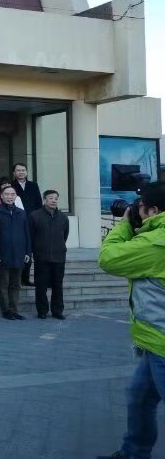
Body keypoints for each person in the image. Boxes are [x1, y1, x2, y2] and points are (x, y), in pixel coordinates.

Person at [97, 183, 165, 459]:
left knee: (141, 398)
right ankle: (134, 452)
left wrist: (125, 224)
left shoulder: (156, 242)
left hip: (162, 343)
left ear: (154, 210)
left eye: (140, 207)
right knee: (139, 398)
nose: (136, 210)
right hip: (154, 342)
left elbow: (108, 258)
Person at [0, 185, 31, 320]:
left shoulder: (22, 213)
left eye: (12, 194)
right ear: (2, 196)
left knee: (15, 284)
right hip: (2, 253)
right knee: (3, 284)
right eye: (7, 194)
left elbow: (27, 234)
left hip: (19, 253)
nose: (9, 197)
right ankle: (6, 311)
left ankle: (14, 310)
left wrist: (28, 252)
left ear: (16, 196)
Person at [30, 190, 69, 319]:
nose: (53, 200)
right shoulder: (35, 216)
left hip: (59, 257)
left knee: (58, 286)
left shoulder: (63, 217)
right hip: (41, 257)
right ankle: (42, 311)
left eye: (56, 198)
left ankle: (57, 311)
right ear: (44, 199)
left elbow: (65, 235)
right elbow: (31, 236)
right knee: (41, 286)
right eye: (51, 198)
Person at [11, 163, 43, 286]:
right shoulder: (11, 186)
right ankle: (17, 279)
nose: (21, 172)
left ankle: (26, 278)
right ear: (14, 173)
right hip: (17, 221)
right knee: (19, 250)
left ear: (27, 172)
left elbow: (39, 203)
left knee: (29, 250)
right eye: (18, 170)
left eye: (23, 170)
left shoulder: (33, 185)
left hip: (32, 221)